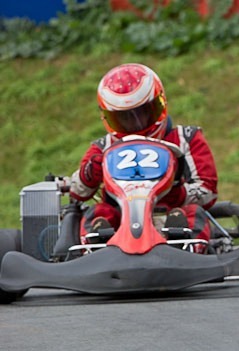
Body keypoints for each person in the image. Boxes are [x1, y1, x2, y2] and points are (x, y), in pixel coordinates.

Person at [70, 63, 218, 245]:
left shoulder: (186, 138)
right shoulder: (103, 149)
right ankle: (100, 242)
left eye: (144, 113)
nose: (136, 124)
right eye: (124, 118)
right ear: (109, 118)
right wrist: (89, 175)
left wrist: (176, 194)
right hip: (121, 222)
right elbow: (76, 193)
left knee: (195, 213)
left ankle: (183, 242)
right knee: (98, 212)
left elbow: (208, 191)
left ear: (160, 104)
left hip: (171, 214)